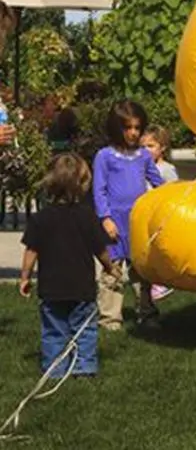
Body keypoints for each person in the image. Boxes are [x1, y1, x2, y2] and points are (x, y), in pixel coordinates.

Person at [19, 153, 120, 377]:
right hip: (81, 287)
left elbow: (31, 250)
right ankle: (84, 367)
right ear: (83, 184)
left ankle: (54, 369)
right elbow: (100, 249)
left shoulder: (40, 218)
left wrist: (25, 277)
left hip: (51, 288)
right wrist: (109, 266)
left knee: (54, 330)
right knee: (84, 329)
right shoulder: (87, 217)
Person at [92, 100, 163, 329]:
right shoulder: (105, 156)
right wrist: (105, 218)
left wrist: (172, 196)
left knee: (142, 270)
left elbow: (157, 182)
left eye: (137, 128)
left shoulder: (143, 156)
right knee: (112, 271)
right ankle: (110, 318)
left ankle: (147, 312)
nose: (133, 133)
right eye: (128, 127)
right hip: (114, 222)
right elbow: (99, 190)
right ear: (116, 127)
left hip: (137, 222)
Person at [140, 125, 178, 302]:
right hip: (145, 214)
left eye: (150, 146)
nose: (145, 151)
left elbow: (173, 192)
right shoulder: (139, 168)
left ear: (162, 147)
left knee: (158, 249)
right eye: (142, 147)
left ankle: (163, 282)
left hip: (160, 215)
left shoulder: (167, 169)